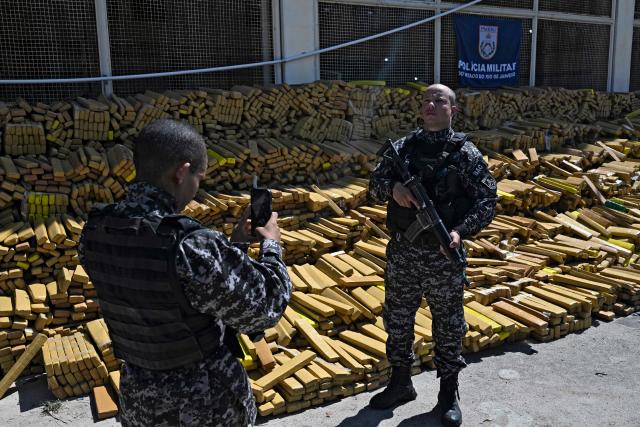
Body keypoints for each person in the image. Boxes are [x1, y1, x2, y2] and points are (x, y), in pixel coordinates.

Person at [79, 119, 292, 426]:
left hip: (139, 401)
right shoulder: (189, 246)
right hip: (203, 403)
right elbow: (266, 308)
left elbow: (168, 290)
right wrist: (271, 245)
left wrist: (235, 247)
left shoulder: (96, 231)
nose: (196, 188)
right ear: (182, 171)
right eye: (198, 178)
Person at [368, 84, 497, 426]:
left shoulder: (465, 154)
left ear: (453, 110)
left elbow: (487, 200)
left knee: (448, 325)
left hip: (443, 254)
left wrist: (459, 231)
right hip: (403, 253)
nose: (430, 104)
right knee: (397, 318)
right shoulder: (402, 149)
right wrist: (393, 189)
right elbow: (373, 185)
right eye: (426, 99)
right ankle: (400, 382)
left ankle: (447, 394)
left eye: (439, 100)